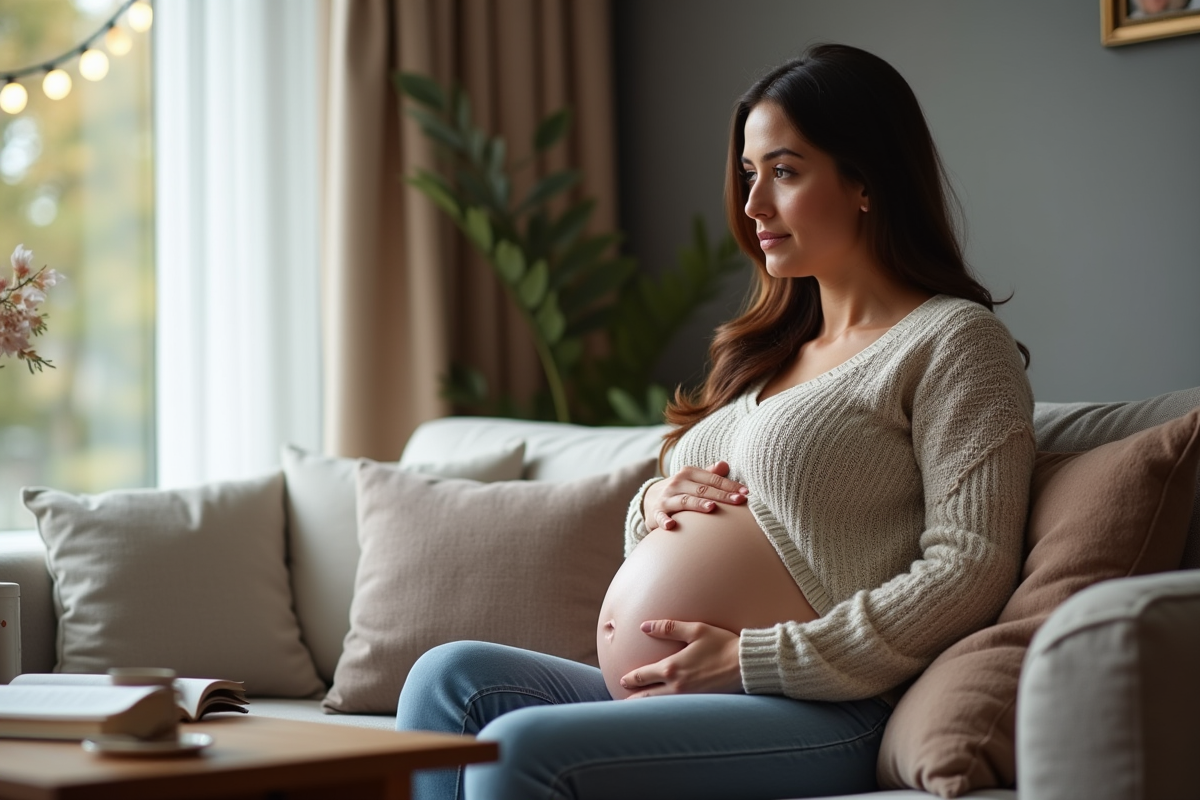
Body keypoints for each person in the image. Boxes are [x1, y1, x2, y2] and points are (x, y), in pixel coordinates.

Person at [396, 43, 1035, 800]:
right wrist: (654, 504)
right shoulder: (769, 349)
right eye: (748, 174)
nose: (754, 205)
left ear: (866, 180)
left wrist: (756, 659)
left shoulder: (953, 340)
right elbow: (706, 509)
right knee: (448, 679)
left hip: (824, 704)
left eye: (785, 171)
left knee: (522, 745)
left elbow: (969, 566)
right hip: (680, 685)